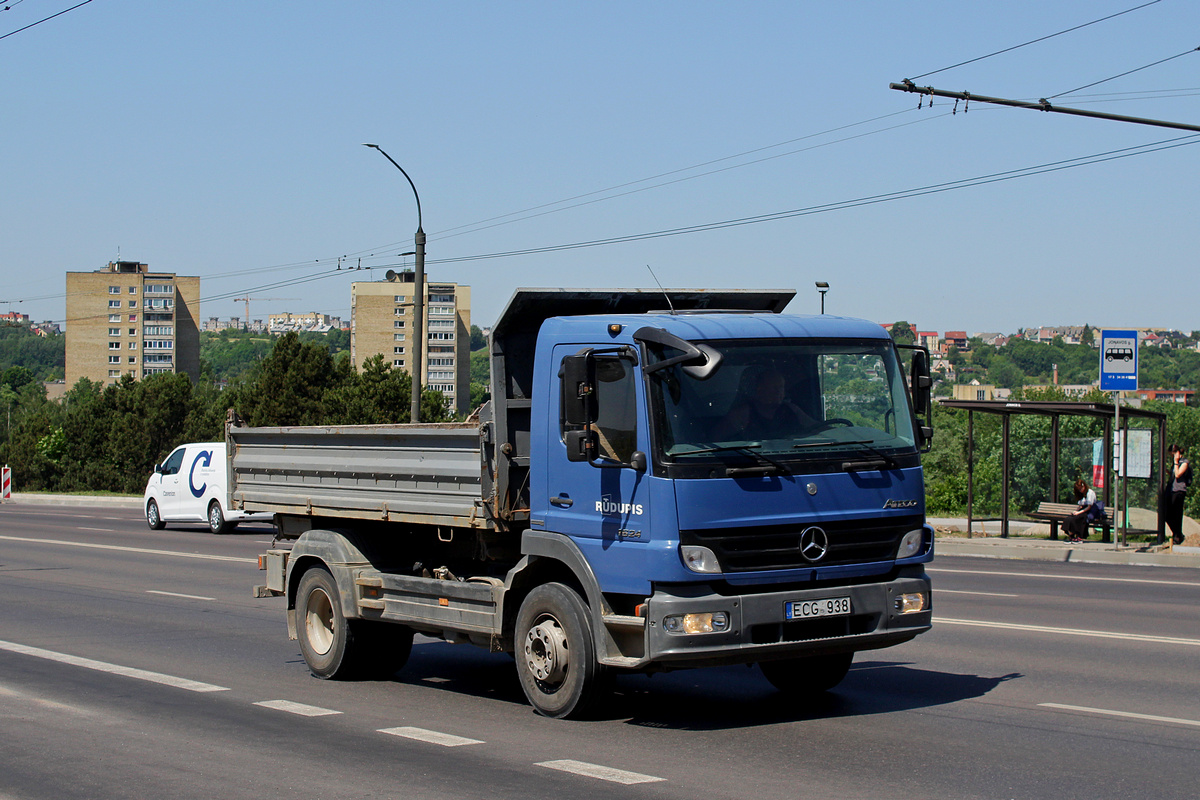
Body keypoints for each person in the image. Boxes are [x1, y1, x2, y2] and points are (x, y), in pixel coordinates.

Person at [714, 367, 815, 441]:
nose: (778, 392)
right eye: (774, 387)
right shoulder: (743, 414)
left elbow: (817, 428)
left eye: (781, 388)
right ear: (760, 389)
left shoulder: (792, 410)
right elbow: (716, 439)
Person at [1165, 443, 1192, 546]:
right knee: (1167, 514)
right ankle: (1177, 533)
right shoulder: (1175, 463)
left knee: (1176, 514)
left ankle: (1178, 536)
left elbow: (1178, 474)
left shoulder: (1184, 462)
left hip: (1179, 491)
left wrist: (1176, 462)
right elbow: (1173, 475)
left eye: (1173, 454)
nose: (1172, 457)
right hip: (1171, 490)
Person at [1063, 479, 1097, 543]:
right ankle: (1071, 534)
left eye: (1080, 488)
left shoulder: (1090, 493)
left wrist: (1079, 512)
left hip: (1088, 511)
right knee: (1068, 519)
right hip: (1082, 510)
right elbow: (1080, 505)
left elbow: (1089, 507)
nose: (1080, 490)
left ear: (1084, 486)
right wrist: (1076, 511)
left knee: (1077, 519)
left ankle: (1079, 535)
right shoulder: (1081, 494)